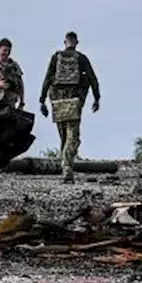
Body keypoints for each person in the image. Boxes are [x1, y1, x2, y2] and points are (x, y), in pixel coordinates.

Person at [39, 31, 100, 182]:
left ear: (64, 42)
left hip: (57, 101)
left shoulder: (56, 57)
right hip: (74, 100)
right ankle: (67, 168)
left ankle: (65, 167)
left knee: (64, 136)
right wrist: (96, 98)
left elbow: (47, 78)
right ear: (76, 43)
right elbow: (92, 78)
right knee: (73, 137)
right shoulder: (82, 58)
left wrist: (42, 100)